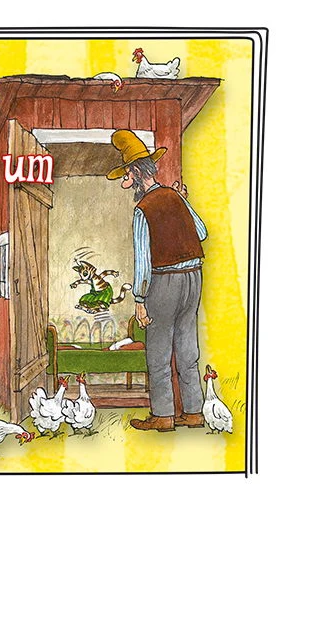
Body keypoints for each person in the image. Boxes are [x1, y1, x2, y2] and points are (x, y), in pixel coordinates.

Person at [106, 130, 208, 431]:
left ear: (138, 173)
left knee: (159, 351)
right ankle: (194, 412)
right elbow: (202, 232)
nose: (126, 181)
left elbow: (143, 260)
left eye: (128, 174)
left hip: (164, 283)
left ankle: (163, 416)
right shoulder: (176, 197)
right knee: (187, 346)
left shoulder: (143, 209)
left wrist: (139, 300)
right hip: (193, 278)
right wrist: (182, 205)